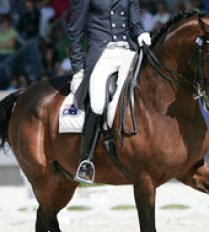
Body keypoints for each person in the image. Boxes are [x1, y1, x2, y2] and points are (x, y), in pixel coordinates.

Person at [68, 0, 151, 183]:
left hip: (128, 52)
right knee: (97, 105)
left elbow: (135, 24)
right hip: (102, 54)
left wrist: (142, 33)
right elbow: (75, 31)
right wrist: (78, 70)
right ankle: (86, 161)